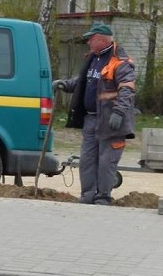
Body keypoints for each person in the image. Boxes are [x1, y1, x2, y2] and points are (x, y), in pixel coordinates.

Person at [53, 22, 135, 205]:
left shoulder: (120, 62)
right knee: (87, 160)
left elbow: (127, 90)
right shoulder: (93, 59)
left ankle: (103, 197)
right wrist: (65, 84)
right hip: (91, 119)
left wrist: (119, 112)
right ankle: (88, 195)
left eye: (91, 38)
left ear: (101, 39)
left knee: (106, 162)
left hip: (111, 121)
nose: (88, 42)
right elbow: (84, 81)